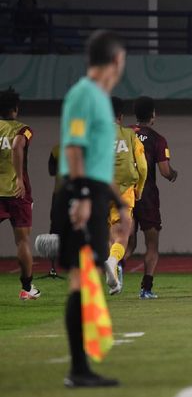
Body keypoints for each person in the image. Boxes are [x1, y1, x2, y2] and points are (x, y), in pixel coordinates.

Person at [56, 29, 129, 387]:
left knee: (90, 280)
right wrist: (83, 195)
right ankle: (78, 369)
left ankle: (83, 366)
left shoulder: (101, 98)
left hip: (96, 195)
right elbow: (73, 147)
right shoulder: (83, 95)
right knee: (80, 281)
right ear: (115, 60)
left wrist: (118, 203)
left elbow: (98, 160)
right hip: (80, 195)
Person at [123, 96, 178, 299]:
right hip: (146, 195)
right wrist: (174, 174)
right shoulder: (157, 139)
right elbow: (164, 171)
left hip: (125, 193)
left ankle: (118, 265)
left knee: (128, 242)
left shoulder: (124, 134)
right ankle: (146, 288)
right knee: (151, 244)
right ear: (152, 115)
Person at [103, 97, 147, 295]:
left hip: (100, 191)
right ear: (120, 116)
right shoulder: (130, 135)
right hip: (124, 191)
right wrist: (140, 188)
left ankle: (114, 280)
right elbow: (143, 166)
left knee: (109, 235)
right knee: (122, 237)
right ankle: (112, 263)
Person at [0, 87, 39, 300]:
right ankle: (26, 288)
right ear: (16, 108)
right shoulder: (24, 129)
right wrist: (17, 178)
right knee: (22, 241)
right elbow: (16, 146)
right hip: (17, 191)